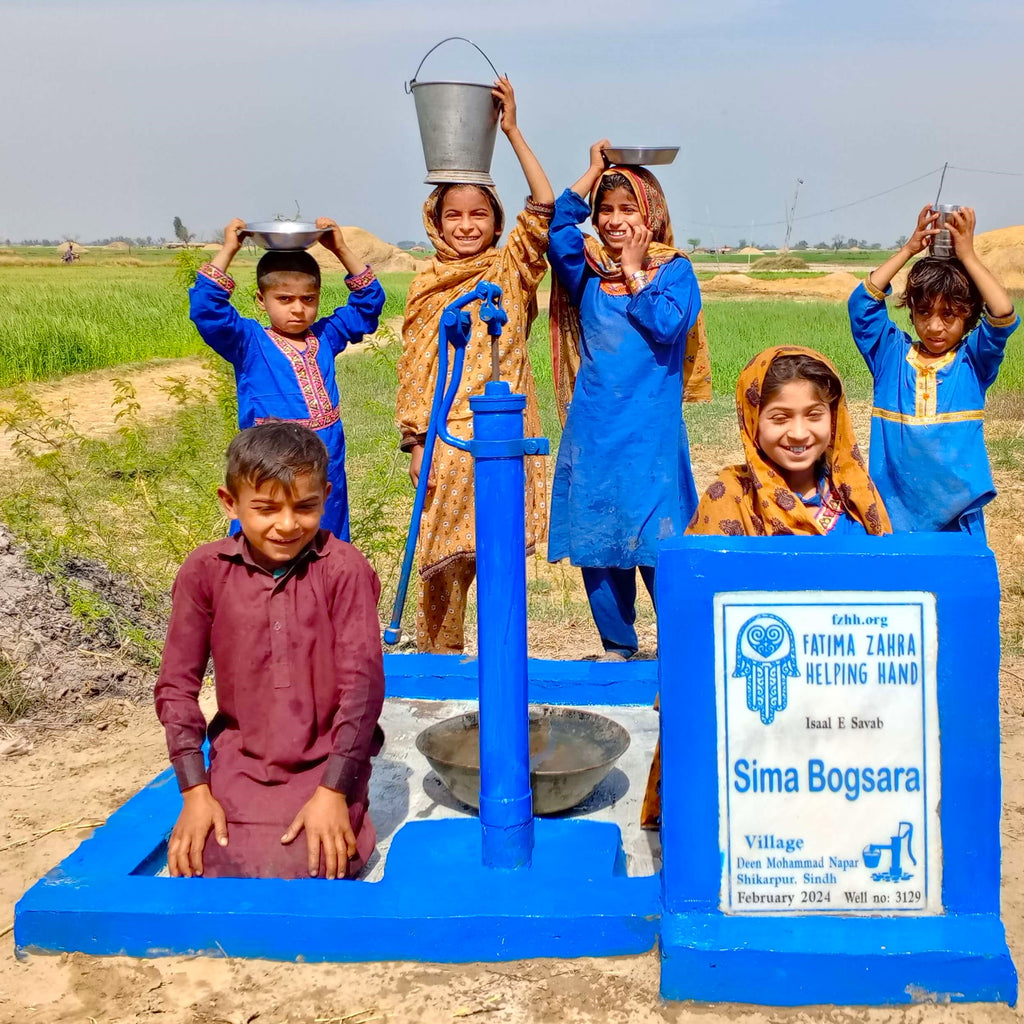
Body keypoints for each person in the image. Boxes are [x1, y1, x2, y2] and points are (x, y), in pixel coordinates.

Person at [640, 346, 891, 826]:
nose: (798, 433)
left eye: (813, 414)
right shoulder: (727, 498)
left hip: (846, 703)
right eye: (780, 417)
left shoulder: (858, 497)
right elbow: (690, 613)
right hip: (755, 708)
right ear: (752, 418)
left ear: (833, 417)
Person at [154, 422, 385, 879]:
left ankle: (353, 808)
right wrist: (194, 791)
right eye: (265, 509)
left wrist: (335, 791)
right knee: (205, 860)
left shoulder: (343, 570)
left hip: (325, 760)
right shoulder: (205, 571)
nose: (286, 524)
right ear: (230, 502)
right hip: (242, 758)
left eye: (305, 507)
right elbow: (176, 685)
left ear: (326, 496)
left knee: (318, 863)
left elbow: (363, 686)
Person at [395, 77, 554, 653]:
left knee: (501, 557)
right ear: (436, 221)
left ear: (494, 219)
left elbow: (543, 207)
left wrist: (510, 130)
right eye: (455, 215)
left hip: (505, 434)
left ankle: (502, 665)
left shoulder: (510, 269)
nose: (467, 225)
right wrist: (418, 442)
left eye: (479, 214)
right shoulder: (428, 283)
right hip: (448, 439)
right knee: (442, 562)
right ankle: (444, 668)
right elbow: (415, 366)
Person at [546, 140, 712, 662]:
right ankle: (617, 644)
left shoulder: (674, 272)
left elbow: (668, 326)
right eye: (606, 210)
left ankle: (681, 648)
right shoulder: (589, 272)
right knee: (599, 537)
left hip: (650, 434)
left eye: (628, 209)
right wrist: (593, 171)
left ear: (653, 215)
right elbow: (557, 230)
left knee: (659, 540)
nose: (615, 221)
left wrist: (636, 269)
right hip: (593, 429)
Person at [190, 218, 385, 540]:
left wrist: (340, 249)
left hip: (326, 457)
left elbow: (367, 307)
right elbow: (207, 310)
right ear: (260, 299)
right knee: (267, 537)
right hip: (270, 461)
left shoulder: (325, 336)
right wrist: (228, 249)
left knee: (325, 534)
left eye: (308, 299)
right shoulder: (248, 342)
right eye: (284, 299)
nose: (298, 309)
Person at [848, 204, 1018, 534]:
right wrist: (910, 248)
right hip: (894, 511)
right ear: (910, 312)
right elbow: (861, 305)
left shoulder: (973, 362)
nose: (935, 326)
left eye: (949, 315)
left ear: (968, 317)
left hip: (958, 514)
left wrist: (967, 255)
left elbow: (1002, 314)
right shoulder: (891, 358)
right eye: (924, 312)